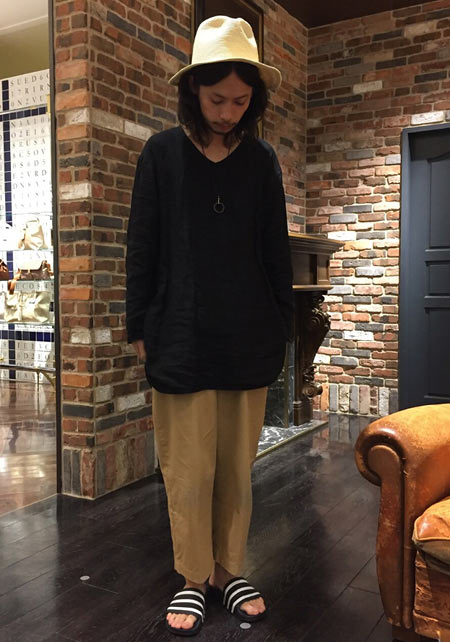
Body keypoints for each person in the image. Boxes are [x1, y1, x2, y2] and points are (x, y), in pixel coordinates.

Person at [126, 15, 293, 637]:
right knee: (188, 469)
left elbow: (274, 249)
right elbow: (141, 244)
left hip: (247, 330)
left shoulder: (263, 160)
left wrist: (281, 322)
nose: (227, 112)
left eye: (241, 101)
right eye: (217, 98)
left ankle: (229, 569)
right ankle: (192, 577)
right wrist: (137, 323)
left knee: (235, 468)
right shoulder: (161, 154)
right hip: (178, 332)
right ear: (193, 89)